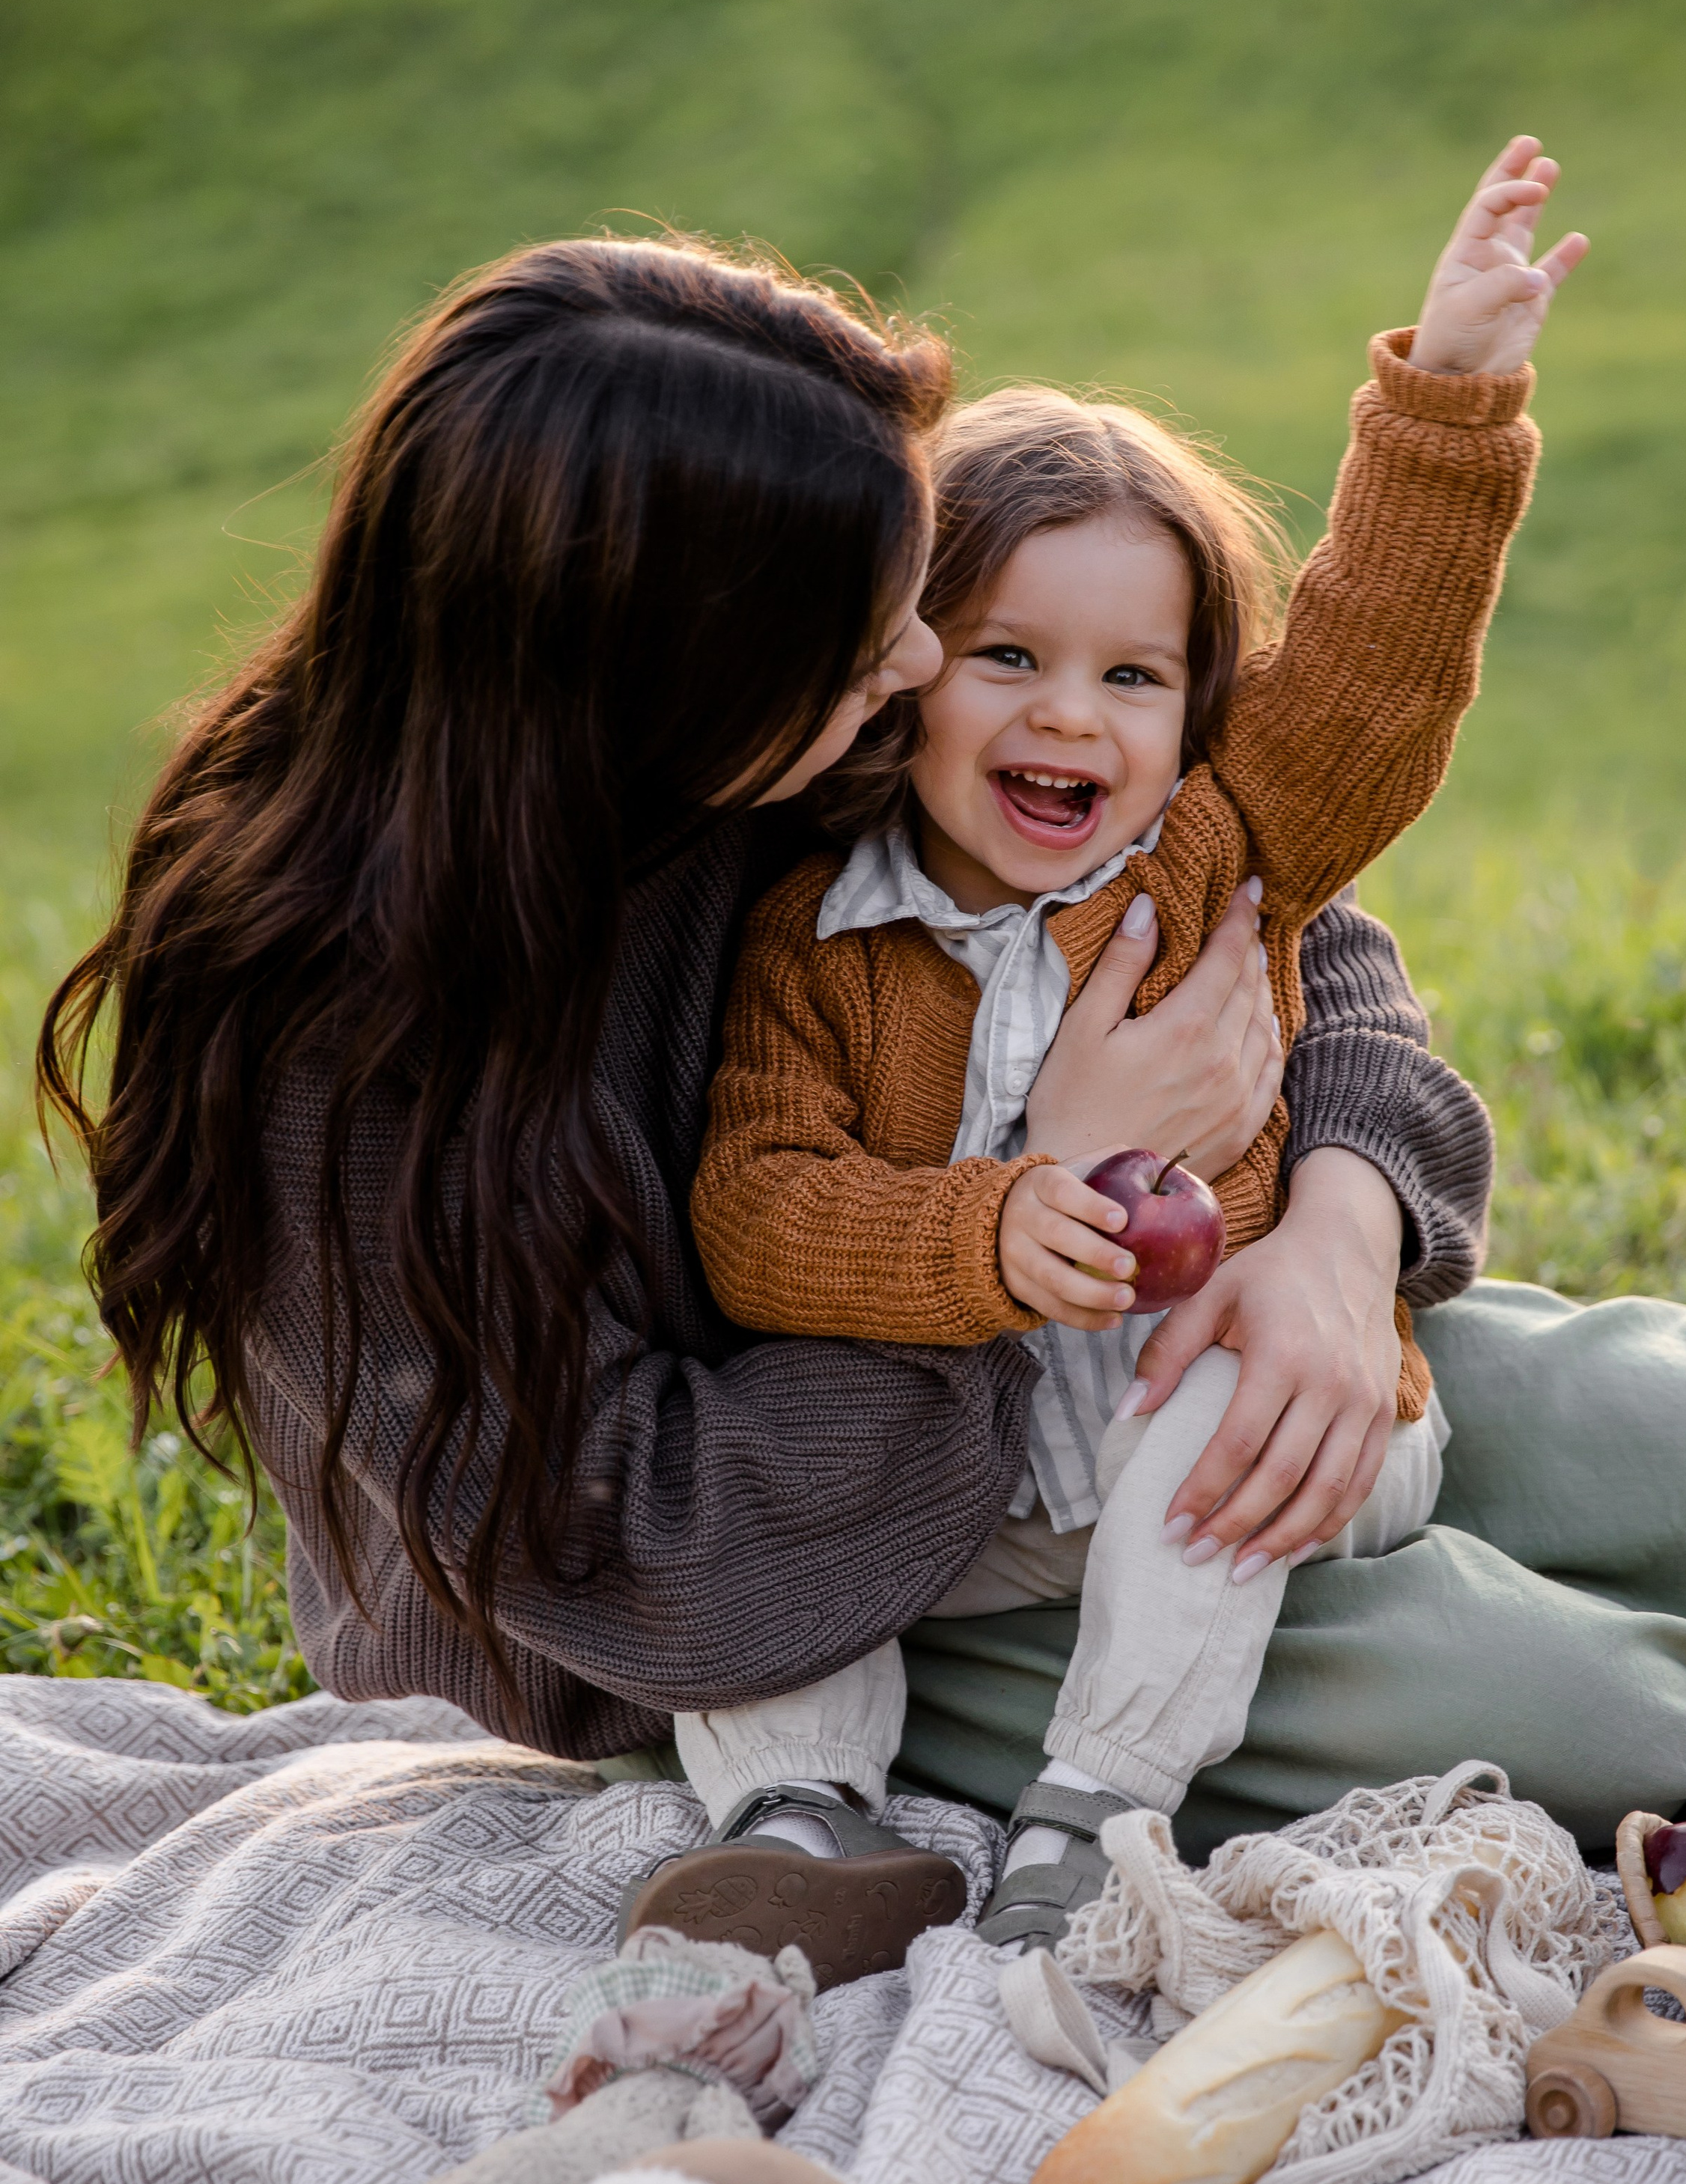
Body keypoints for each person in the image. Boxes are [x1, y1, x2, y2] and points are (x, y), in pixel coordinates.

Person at [35, 231, 1485, 1869]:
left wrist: (1336, 1234)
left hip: (1095, 1372)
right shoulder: (334, 1051)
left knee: (1682, 1438)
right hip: (720, 1619)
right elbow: (646, 1550)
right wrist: (1031, 1179)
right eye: (880, 628)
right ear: (661, 668)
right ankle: (833, 1847)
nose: (926, 663)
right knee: (1572, 1708)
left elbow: (1277, 917)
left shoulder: (801, 744)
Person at [625, 141, 1579, 1963]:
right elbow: (755, 1208)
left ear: (1194, 710)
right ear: (902, 681)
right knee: (761, 1455)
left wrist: (1447, 404)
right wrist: (979, 1232)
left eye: (1134, 679)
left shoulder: (1216, 848)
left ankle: (1104, 1804)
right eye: (1007, 658)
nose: (1072, 714)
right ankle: (801, 1815)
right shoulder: (813, 938)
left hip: (1246, 1449)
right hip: (971, 1495)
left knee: (1207, 1420)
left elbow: (1372, 672)